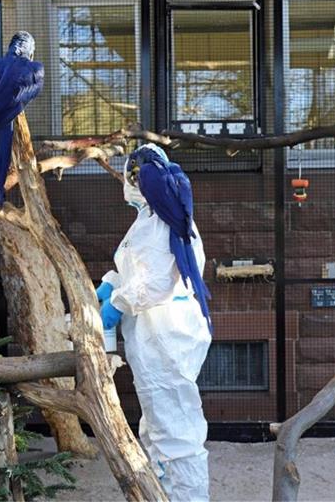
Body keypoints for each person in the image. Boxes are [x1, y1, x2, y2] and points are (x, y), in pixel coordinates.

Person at [96, 144, 212, 501]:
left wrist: (117, 302)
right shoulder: (148, 219)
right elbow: (137, 268)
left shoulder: (168, 222)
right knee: (156, 429)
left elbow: (158, 282)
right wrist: (111, 282)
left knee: (177, 435)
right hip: (151, 337)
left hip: (165, 335)